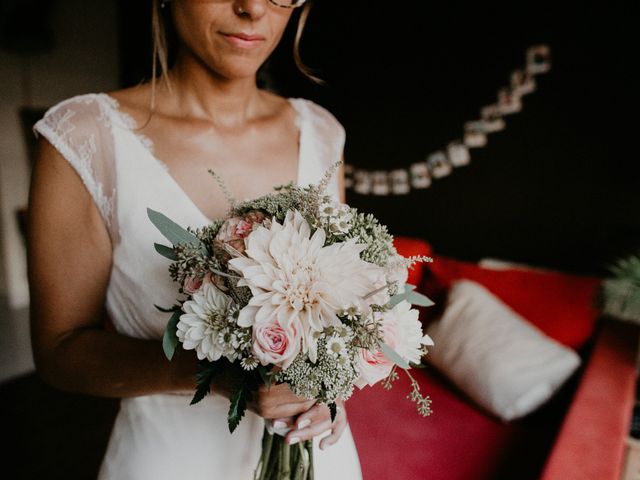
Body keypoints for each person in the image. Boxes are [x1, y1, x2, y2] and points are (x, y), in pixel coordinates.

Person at [27, 0, 362, 478]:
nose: (252, 9)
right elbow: (60, 353)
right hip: (170, 459)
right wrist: (217, 376)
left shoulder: (321, 132)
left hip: (319, 457)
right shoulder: (83, 137)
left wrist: (330, 384)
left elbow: (340, 307)